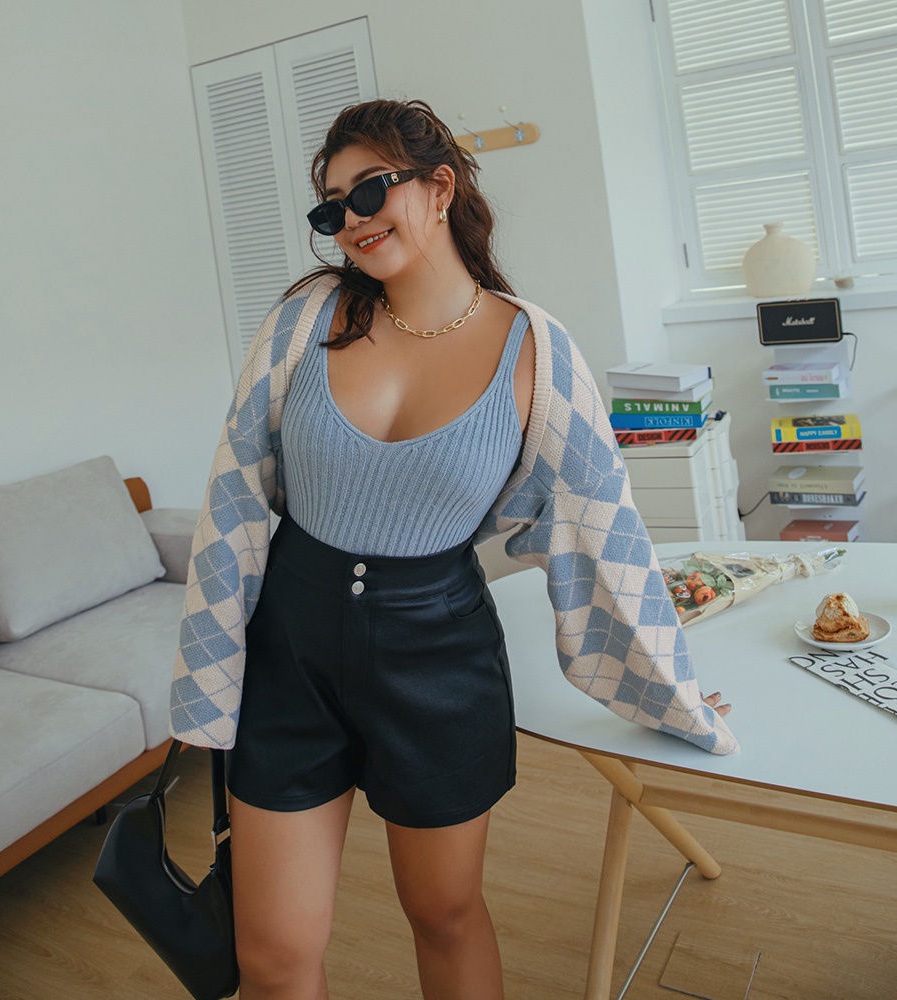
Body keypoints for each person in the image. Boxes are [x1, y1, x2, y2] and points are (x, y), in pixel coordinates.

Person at [170, 98, 736, 1000]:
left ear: (440, 188)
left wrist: (670, 684)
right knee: (272, 958)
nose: (351, 220)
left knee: (444, 915)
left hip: (438, 659)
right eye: (331, 208)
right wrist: (206, 673)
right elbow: (234, 492)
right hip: (291, 654)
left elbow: (601, 530)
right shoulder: (304, 321)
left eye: (370, 191)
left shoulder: (536, 351)